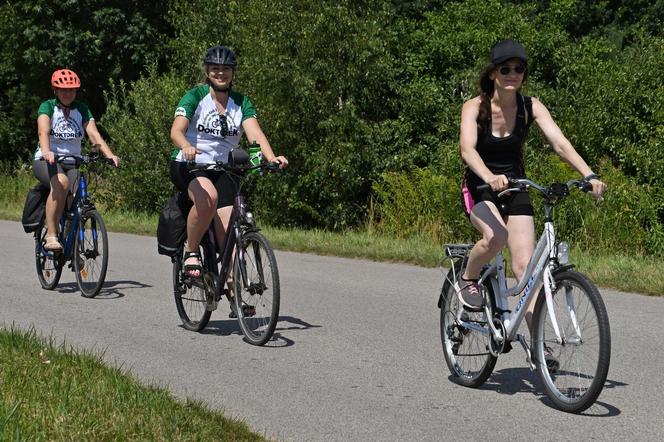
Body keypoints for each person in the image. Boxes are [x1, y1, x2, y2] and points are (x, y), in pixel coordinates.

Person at [456, 39, 607, 321]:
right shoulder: (475, 107)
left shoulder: (530, 107)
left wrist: (589, 174)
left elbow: (560, 143)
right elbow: (468, 149)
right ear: (492, 74)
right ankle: (468, 276)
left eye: (519, 68)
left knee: (526, 267)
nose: (513, 74)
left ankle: (538, 344)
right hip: (480, 186)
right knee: (496, 237)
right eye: (505, 69)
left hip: (515, 186)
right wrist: (489, 176)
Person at [169, 45, 288, 280]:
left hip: (224, 168)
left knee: (228, 228)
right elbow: (176, 131)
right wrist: (186, 146)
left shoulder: (241, 102)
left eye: (225, 69)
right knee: (208, 198)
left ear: (233, 72)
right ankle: (191, 252)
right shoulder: (194, 97)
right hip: (190, 165)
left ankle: (233, 287)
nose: (220, 73)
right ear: (207, 71)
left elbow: (255, 134)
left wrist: (271, 157)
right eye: (215, 69)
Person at [33, 68, 120, 251]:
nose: (67, 93)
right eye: (63, 89)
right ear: (55, 90)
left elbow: (94, 134)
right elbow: (43, 130)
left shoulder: (81, 109)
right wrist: (47, 150)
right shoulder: (48, 106)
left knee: (77, 199)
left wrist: (109, 154)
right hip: (46, 160)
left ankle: (71, 245)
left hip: (73, 161)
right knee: (61, 183)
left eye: (71, 89)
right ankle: (51, 235)